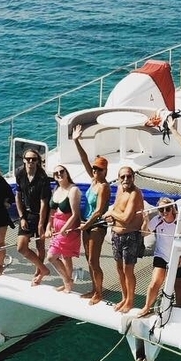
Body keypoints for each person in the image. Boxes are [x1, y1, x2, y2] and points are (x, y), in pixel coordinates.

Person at [72, 125, 111, 305]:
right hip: (86, 224)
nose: (95, 171)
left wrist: (86, 225)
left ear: (105, 171)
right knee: (88, 259)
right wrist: (76, 141)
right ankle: (94, 289)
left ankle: (99, 293)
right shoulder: (94, 180)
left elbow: (99, 211)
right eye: (94, 169)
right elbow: (84, 159)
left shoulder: (103, 187)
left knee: (94, 261)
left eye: (99, 169)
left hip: (96, 225)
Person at [103, 165, 144, 312]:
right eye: (123, 177)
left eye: (128, 176)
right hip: (116, 236)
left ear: (133, 177)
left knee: (128, 270)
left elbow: (126, 218)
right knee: (120, 269)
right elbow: (116, 208)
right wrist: (111, 217)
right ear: (119, 178)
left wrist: (111, 214)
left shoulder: (135, 193)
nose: (126, 179)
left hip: (130, 237)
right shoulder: (120, 189)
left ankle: (130, 301)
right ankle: (124, 297)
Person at [137, 198, 181, 317]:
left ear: (173, 209)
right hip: (162, 255)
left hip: (179, 256)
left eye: (167, 209)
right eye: (161, 210)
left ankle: (180, 309)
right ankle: (147, 307)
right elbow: (144, 233)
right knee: (155, 282)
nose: (164, 212)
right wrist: (146, 220)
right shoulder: (157, 220)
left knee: (178, 285)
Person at [14, 148, 52, 285]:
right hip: (27, 213)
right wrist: (22, 217)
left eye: (34, 159)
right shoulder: (20, 173)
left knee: (40, 245)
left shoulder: (43, 178)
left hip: (41, 214)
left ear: (37, 161)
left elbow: (44, 203)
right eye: (28, 159)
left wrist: (41, 225)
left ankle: (39, 271)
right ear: (24, 160)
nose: (31, 161)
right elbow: (18, 196)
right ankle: (44, 269)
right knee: (21, 247)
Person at [45, 165, 82, 294]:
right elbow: (52, 211)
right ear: (54, 177)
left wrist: (64, 229)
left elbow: (75, 214)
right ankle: (68, 282)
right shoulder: (56, 189)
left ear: (66, 173)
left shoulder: (73, 190)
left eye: (62, 171)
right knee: (66, 256)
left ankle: (67, 281)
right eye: (56, 173)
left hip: (68, 230)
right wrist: (48, 227)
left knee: (51, 257)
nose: (59, 174)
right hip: (57, 228)